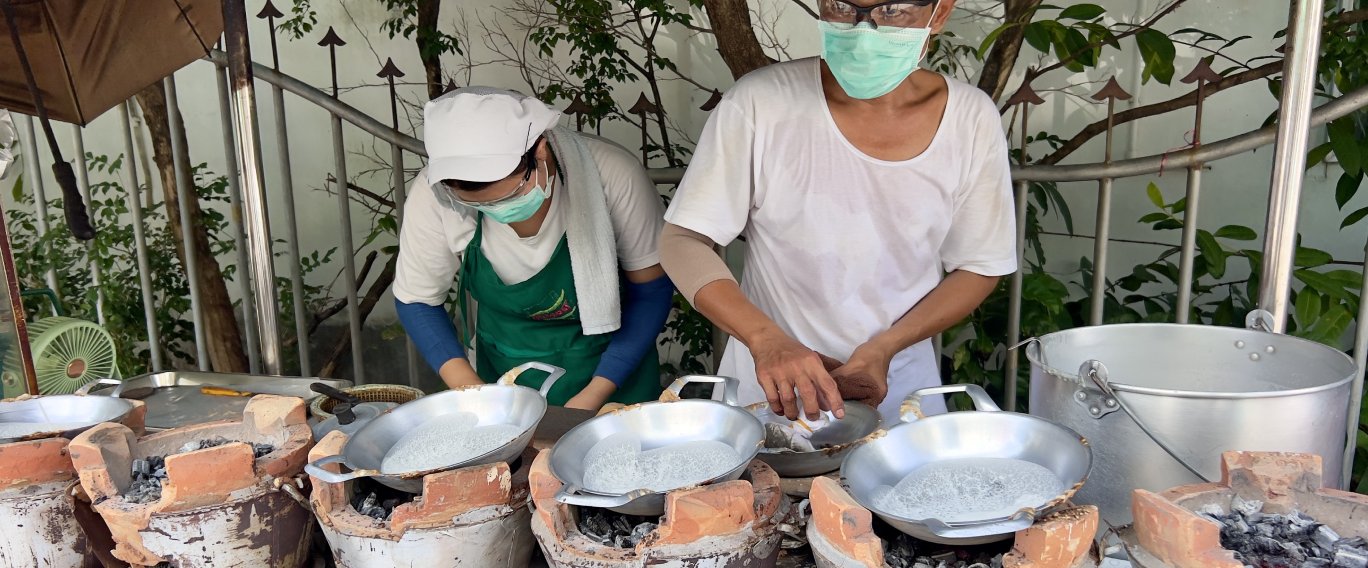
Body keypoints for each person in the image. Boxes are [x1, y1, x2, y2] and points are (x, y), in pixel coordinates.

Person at [659, 0, 1016, 423]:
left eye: (893, 10)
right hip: (769, 393)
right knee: (753, 491)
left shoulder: (970, 119)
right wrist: (766, 340)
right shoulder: (761, 103)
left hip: (899, 393)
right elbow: (683, 241)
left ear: (938, 14)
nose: (864, 30)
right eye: (842, 8)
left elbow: (979, 266)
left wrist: (884, 348)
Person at [395, 87, 675, 412]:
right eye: (481, 206)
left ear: (540, 151)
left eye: (506, 196)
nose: (498, 211)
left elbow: (651, 289)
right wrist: (476, 395)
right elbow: (417, 300)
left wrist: (595, 394)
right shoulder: (436, 194)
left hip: (613, 372)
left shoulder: (612, 175)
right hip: (504, 370)